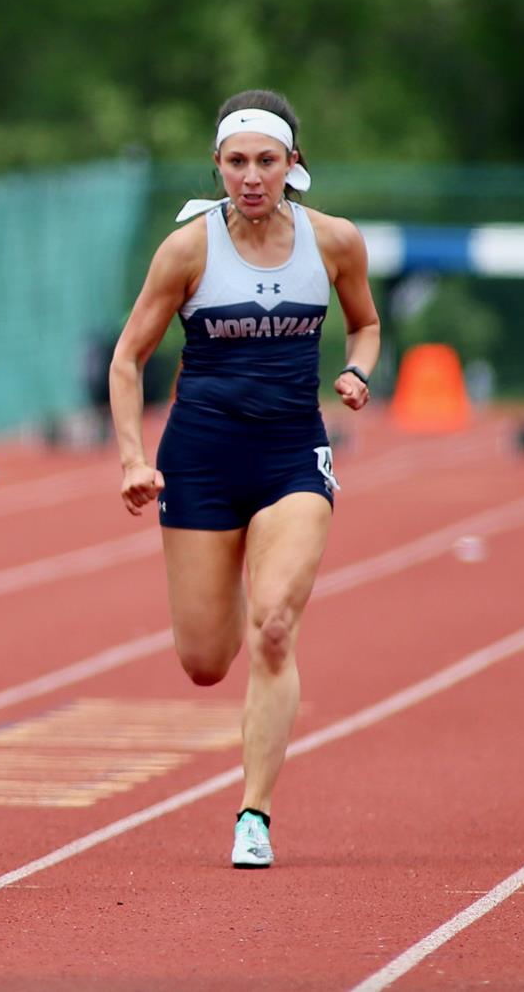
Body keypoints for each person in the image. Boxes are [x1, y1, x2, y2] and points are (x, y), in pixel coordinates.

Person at [107, 89, 381, 869]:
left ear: (293, 164)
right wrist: (134, 457)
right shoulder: (189, 250)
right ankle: (222, 579)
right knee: (204, 659)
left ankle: (253, 812)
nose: (251, 176)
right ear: (218, 167)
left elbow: (365, 321)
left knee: (274, 625)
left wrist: (358, 370)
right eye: (237, 162)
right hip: (199, 457)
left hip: (292, 455)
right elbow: (128, 358)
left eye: (267, 160)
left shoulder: (332, 242)